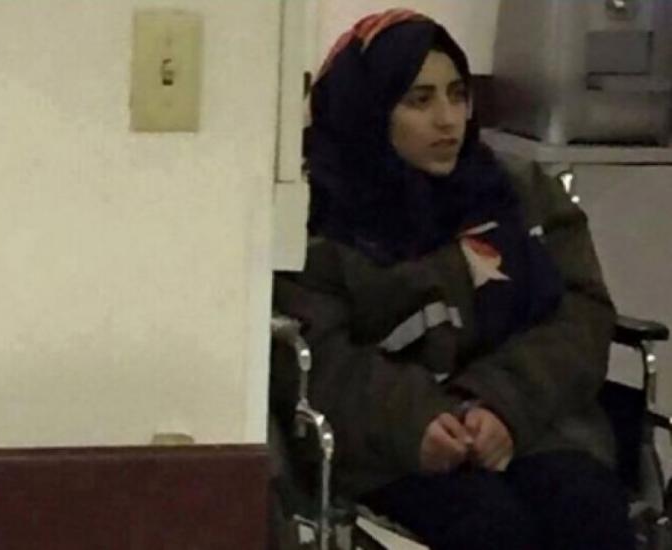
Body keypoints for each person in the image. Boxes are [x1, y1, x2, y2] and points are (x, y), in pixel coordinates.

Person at [271, 8, 635, 550]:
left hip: (533, 423)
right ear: (368, 110)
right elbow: (318, 357)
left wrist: (501, 404)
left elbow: (582, 314)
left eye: (458, 95)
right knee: (488, 527)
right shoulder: (321, 215)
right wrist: (418, 419)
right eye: (419, 101)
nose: (448, 120)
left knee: (588, 511)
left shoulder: (517, 193)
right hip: (395, 445)